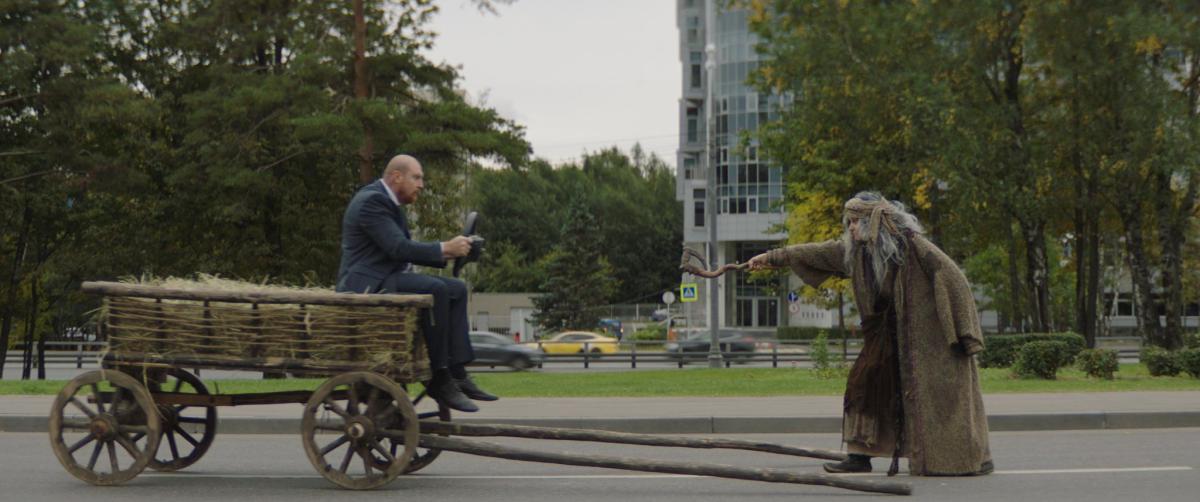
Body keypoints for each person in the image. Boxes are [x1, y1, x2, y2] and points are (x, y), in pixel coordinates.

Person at [748, 191, 992, 477]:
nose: (851, 228)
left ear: (874, 221)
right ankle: (859, 456)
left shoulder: (914, 247)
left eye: (856, 221)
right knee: (864, 389)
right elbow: (819, 252)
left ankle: (970, 458)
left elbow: (953, 279)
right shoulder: (858, 252)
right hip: (882, 339)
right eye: (849, 222)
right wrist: (773, 257)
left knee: (940, 400)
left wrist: (964, 331)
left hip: (928, 342)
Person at [336, 154, 497, 413]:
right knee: (436, 289)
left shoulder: (387, 203)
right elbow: (398, 248)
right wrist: (446, 248)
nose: (421, 184)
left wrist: (451, 251)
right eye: (417, 177)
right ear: (396, 176)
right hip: (366, 286)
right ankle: (438, 376)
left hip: (386, 278)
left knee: (456, 289)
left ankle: (457, 371)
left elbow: (401, 250)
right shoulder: (371, 202)